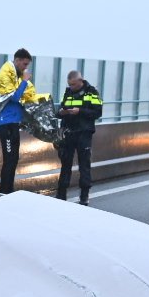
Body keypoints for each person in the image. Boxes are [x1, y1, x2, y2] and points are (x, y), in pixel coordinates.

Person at [0, 48, 45, 193]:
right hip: (5, 122)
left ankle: (9, 189)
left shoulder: (17, 75)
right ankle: (4, 191)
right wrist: (25, 81)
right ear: (17, 60)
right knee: (9, 159)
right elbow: (14, 97)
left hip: (14, 121)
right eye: (24, 64)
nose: (26, 67)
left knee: (14, 158)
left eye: (27, 65)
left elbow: (27, 95)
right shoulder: (5, 73)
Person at [56, 69, 103, 203]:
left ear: (81, 81)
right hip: (68, 133)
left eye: (74, 85)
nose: (71, 87)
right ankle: (61, 195)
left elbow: (97, 112)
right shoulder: (68, 92)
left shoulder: (92, 92)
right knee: (65, 164)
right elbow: (59, 110)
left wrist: (80, 111)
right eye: (70, 84)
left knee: (84, 165)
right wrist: (61, 112)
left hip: (84, 133)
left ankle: (84, 196)